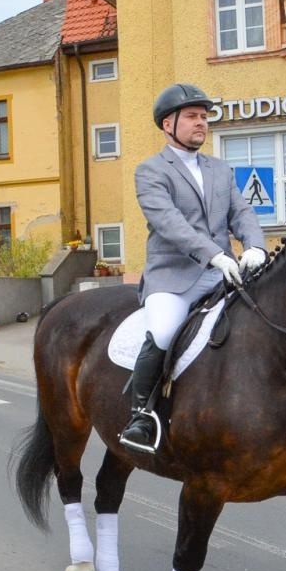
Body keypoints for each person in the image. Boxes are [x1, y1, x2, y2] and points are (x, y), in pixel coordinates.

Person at [118, 83, 267, 453]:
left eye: (204, 117)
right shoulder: (150, 171)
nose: (201, 123)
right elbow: (170, 223)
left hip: (224, 273)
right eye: (192, 117)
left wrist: (255, 247)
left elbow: (242, 212)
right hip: (174, 276)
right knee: (165, 331)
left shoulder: (220, 169)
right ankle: (140, 416)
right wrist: (214, 254)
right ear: (168, 124)